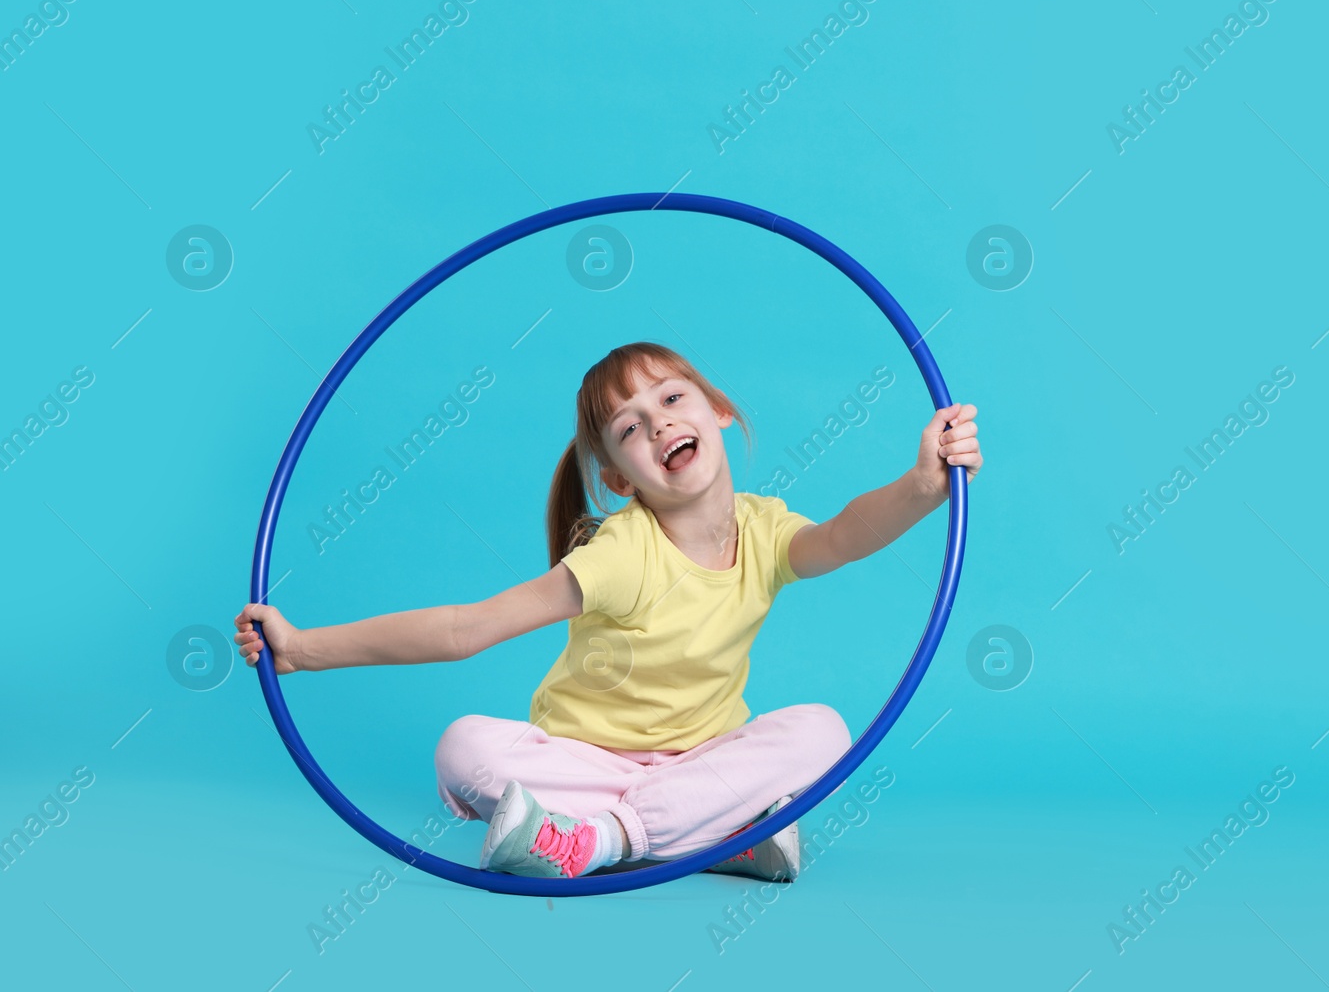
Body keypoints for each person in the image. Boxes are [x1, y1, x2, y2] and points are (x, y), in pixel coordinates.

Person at [235, 341, 982, 881]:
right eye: (629, 428)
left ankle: (601, 840)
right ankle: (713, 832)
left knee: (824, 729)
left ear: (716, 410)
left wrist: (923, 485)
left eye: (670, 398)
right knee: (463, 748)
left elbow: (845, 535)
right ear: (620, 481)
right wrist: (302, 648)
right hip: (585, 760)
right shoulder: (622, 553)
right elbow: (470, 627)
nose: (656, 423)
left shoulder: (765, 530)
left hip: (702, 756)